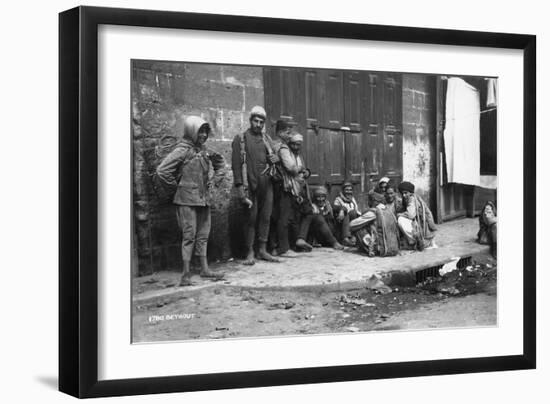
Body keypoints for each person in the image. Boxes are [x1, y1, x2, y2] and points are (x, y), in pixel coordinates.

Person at [156, 115, 225, 286]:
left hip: (203, 199)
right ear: (191, 131)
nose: (202, 135)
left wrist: (215, 180)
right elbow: (162, 171)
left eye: (205, 132)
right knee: (189, 236)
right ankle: (186, 274)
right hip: (186, 201)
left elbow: (221, 163)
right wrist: (177, 188)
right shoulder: (183, 150)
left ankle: (204, 269)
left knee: (203, 235)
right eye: (199, 131)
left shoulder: (204, 150)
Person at [231, 106, 280, 265]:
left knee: (265, 217)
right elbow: (236, 166)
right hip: (250, 185)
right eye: (256, 121)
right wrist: (240, 188)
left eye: (261, 122)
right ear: (250, 121)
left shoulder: (267, 140)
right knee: (250, 219)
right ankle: (250, 252)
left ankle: (262, 250)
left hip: (267, 184)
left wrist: (274, 160)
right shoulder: (241, 139)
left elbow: (275, 161)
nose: (258, 124)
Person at [275, 132, 309, 257]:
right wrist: (299, 169)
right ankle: (283, 249)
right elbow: (291, 168)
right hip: (286, 187)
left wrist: (304, 172)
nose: (296, 147)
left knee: (294, 217)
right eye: (294, 144)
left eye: (298, 145)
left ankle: (295, 244)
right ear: (290, 143)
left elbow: (303, 169)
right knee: (283, 217)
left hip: (297, 188)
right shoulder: (284, 151)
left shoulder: (297, 155)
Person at [296, 186, 344, 251]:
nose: (321, 199)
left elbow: (342, 207)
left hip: (332, 234)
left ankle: (345, 238)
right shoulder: (312, 207)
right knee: (317, 217)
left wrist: (341, 211)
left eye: (323, 197)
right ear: (315, 198)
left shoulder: (328, 206)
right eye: (318, 197)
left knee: (346, 213)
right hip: (320, 237)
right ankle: (301, 239)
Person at [396, 181, 437, 251]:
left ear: (410, 192)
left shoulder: (411, 199)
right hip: (421, 225)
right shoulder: (410, 198)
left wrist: (400, 214)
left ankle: (414, 242)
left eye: (406, 193)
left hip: (423, 228)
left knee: (400, 219)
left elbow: (411, 215)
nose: (404, 195)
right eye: (402, 193)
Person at [333, 182, 362, 246]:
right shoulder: (338, 199)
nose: (348, 192)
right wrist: (342, 210)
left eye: (350, 190)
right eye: (346, 190)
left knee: (354, 213)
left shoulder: (353, 199)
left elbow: (356, 211)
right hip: (341, 223)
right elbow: (335, 209)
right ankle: (345, 238)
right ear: (343, 191)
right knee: (346, 214)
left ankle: (354, 236)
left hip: (351, 223)